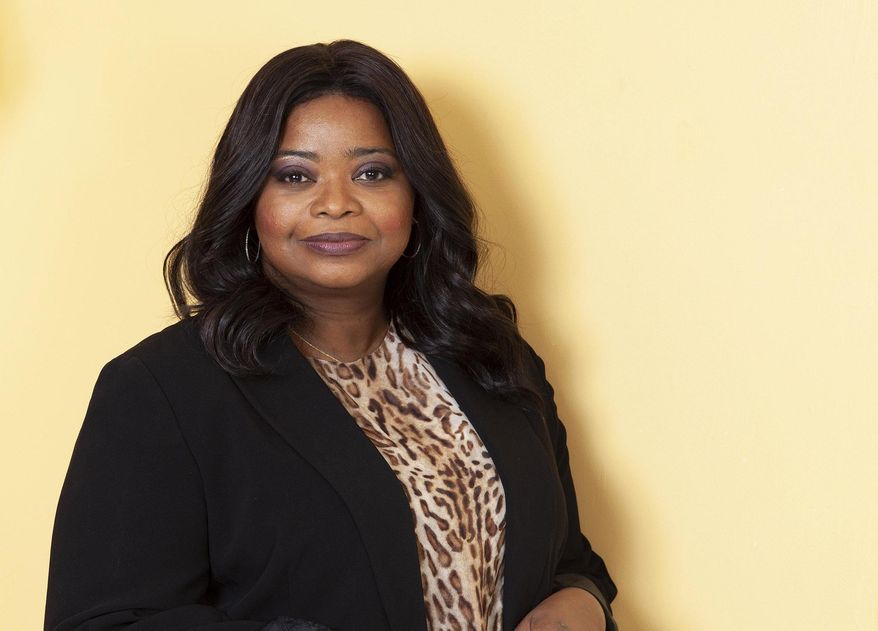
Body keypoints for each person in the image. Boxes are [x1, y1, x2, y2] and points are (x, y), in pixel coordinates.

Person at [44, 40, 617, 631]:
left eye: (372, 173)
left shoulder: (490, 354)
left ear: (416, 195)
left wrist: (582, 604)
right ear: (249, 199)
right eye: (295, 176)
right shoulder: (162, 391)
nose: (336, 204)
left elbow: (569, 561)